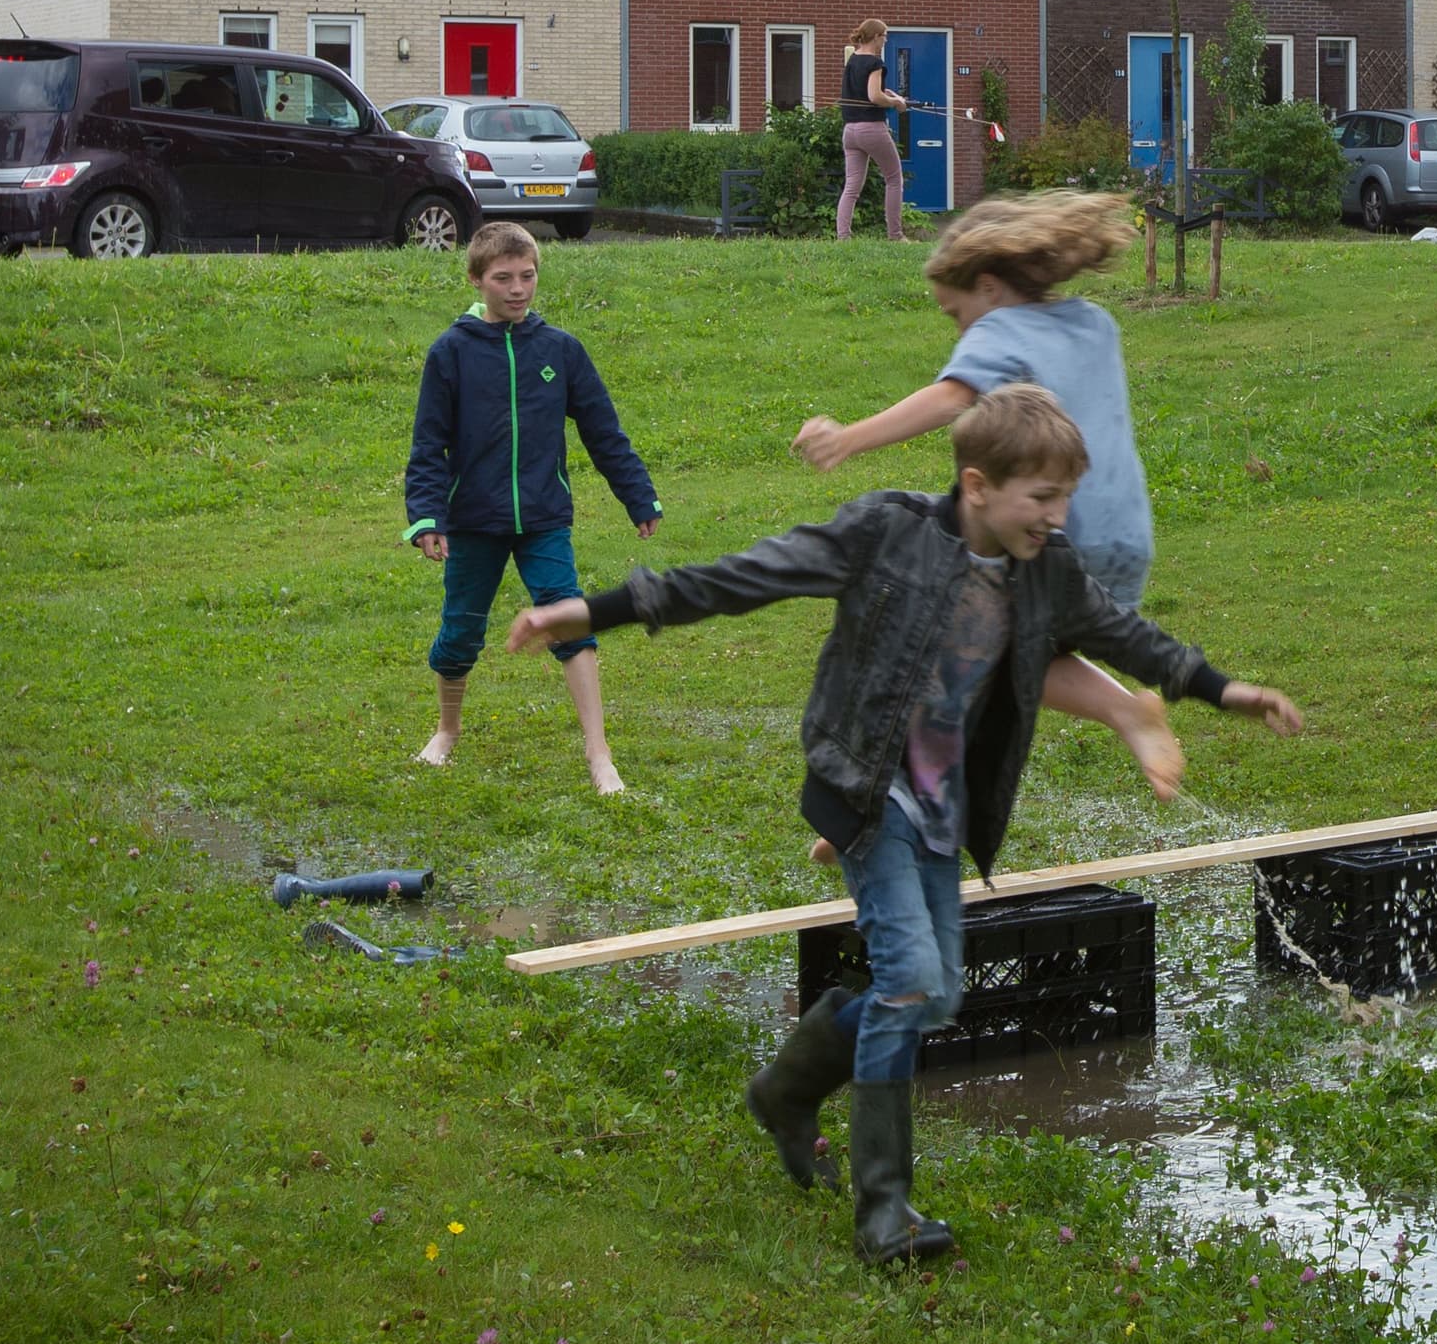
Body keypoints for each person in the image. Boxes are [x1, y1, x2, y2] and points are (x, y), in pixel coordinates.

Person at [505, 379, 1305, 1264]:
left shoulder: (1047, 571)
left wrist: (1230, 692)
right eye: (1042, 497)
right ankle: (883, 1209)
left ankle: (785, 1089)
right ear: (977, 486)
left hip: (940, 809)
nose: (1057, 514)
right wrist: (595, 609)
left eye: (1065, 495)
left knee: (939, 992)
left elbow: (1133, 641)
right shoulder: (884, 531)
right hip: (864, 790)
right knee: (910, 981)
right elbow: (740, 578)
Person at [798, 191, 1179, 796]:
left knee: (941, 648)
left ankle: (880, 801)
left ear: (991, 285)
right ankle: (890, 800)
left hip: (1050, 532)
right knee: (1016, 659)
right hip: (1123, 539)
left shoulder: (1000, 327)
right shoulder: (1093, 322)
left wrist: (849, 439)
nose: (961, 328)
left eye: (956, 314)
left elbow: (953, 396)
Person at [404, 220, 661, 794]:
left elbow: (604, 431)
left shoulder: (560, 350)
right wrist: (426, 517)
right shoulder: (450, 353)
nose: (518, 289)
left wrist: (637, 494)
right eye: (503, 279)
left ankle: (600, 756)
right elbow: (428, 446)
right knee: (460, 633)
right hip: (473, 520)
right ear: (476, 279)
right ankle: (447, 731)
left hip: (545, 517)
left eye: (527, 276)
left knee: (571, 620)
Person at [834, 19, 914, 243]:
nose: (886, 40)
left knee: (851, 186)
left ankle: (843, 237)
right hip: (872, 129)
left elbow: (864, 91)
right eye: (885, 35)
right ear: (877, 36)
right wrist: (896, 103)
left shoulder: (852, 60)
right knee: (894, 178)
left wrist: (886, 92)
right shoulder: (875, 62)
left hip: (849, 131)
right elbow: (873, 97)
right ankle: (895, 236)